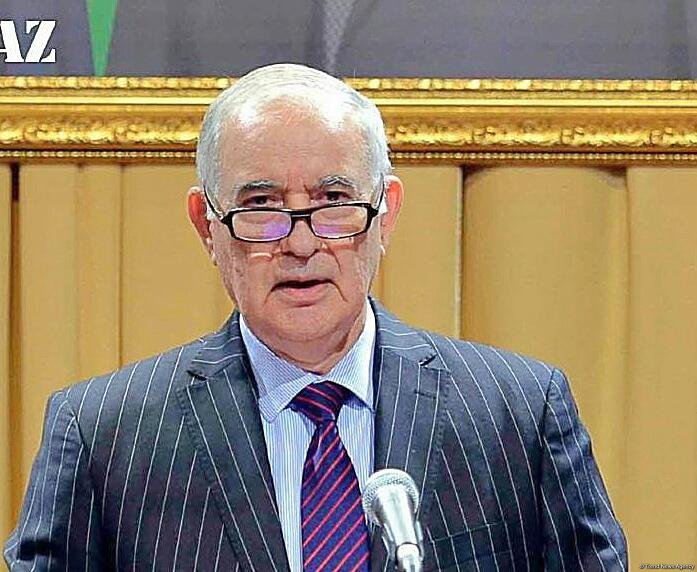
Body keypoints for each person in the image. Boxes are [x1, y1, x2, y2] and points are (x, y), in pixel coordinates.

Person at [4, 63, 627, 571]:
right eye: (261, 205)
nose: (301, 244)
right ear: (206, 225)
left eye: (334, 201)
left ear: (386, 213)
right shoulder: (105, 436)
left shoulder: (518, 415)